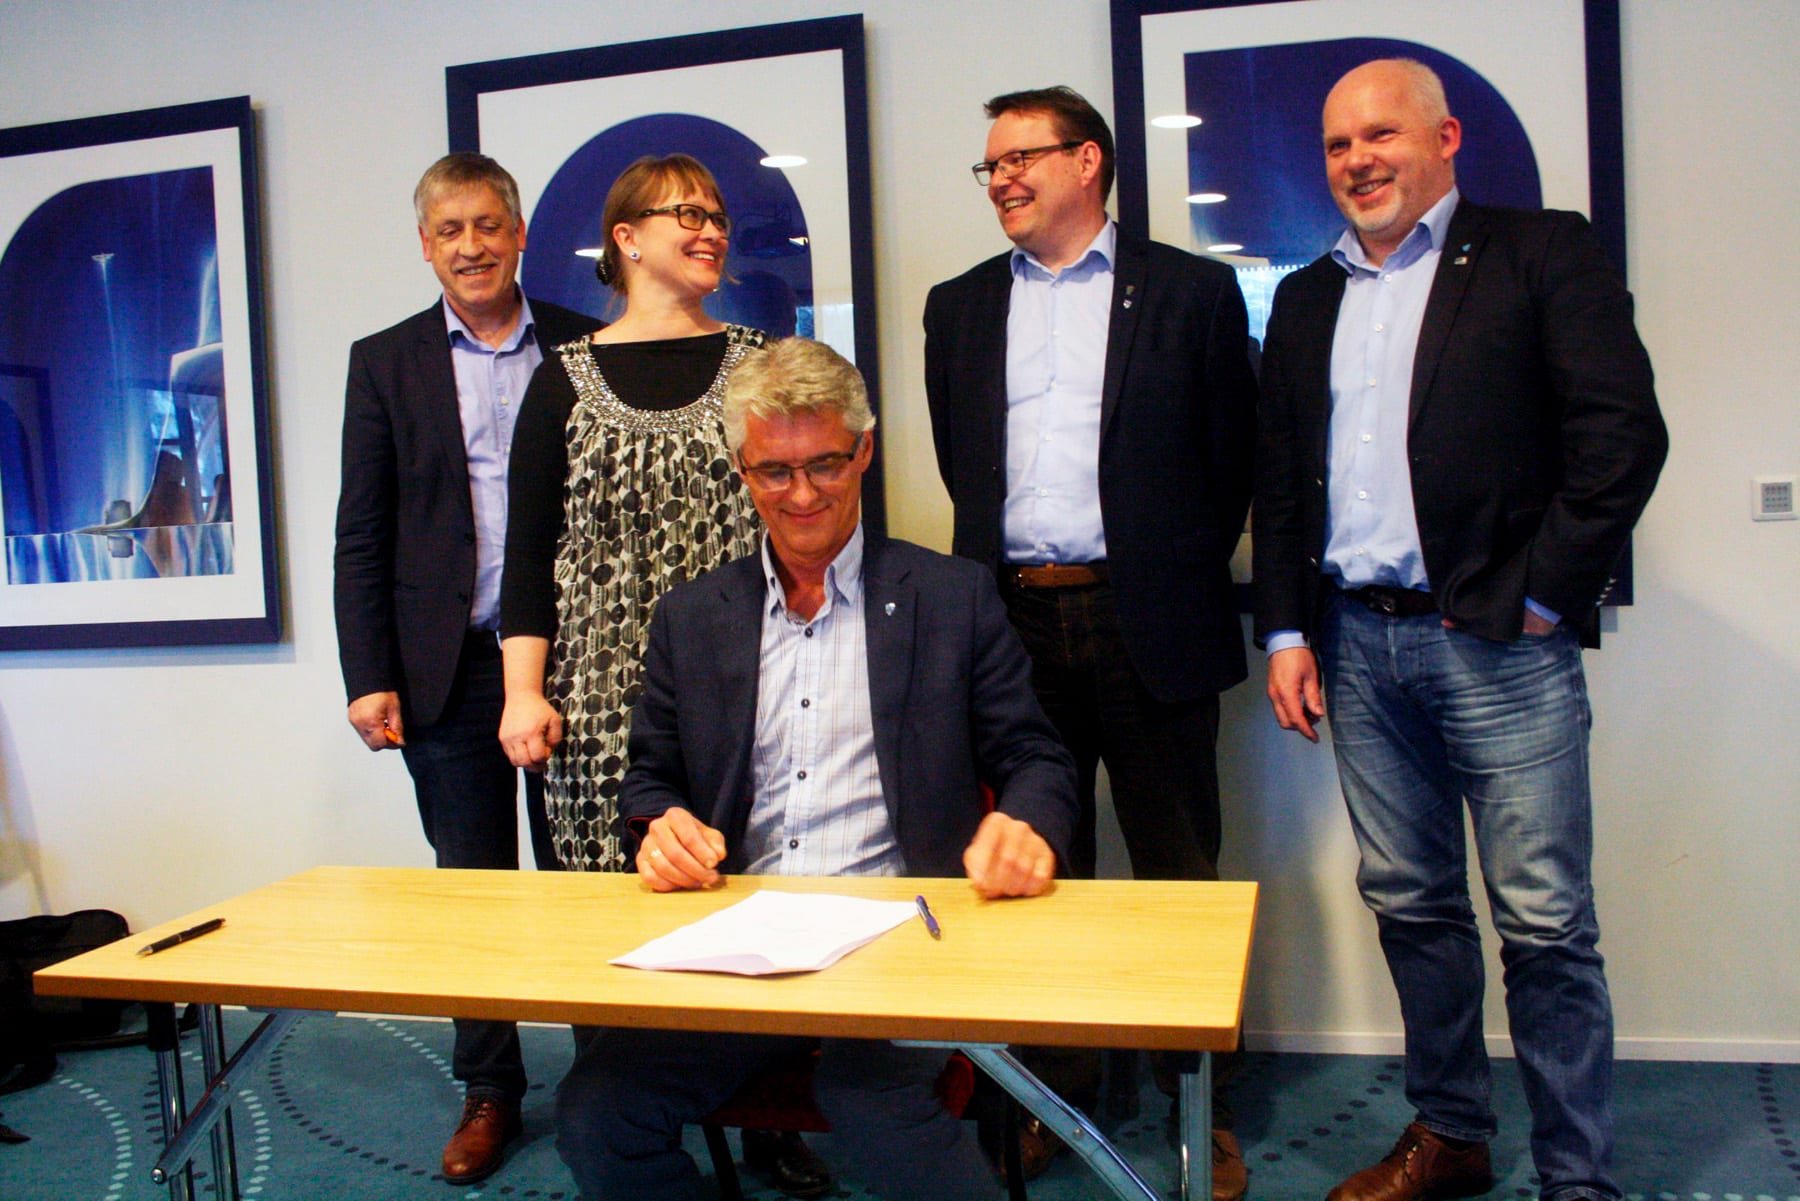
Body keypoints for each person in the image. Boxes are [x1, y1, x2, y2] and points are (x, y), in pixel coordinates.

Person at [1254, 59, 1667, 1201]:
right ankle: (1452, 1135)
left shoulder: (1542, 252)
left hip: (1500, 646)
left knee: (1544, 924)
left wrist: (1542, 596)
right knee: (1413, 904)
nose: (1358, 161)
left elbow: (1621, 436)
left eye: (1381, 135)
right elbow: (1282, 478)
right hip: (1356, 646)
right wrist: (1286, 632)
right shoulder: (1306, 297)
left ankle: (1577, 1176)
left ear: (1445, 138)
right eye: (1338, 145)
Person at [553, 337, 1079, 1201]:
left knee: (866, 1098)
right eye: (774, 471)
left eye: (825, 464)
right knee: (596, 1111)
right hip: (739, 939)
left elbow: (1036, 757)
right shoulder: (693, 617)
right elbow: (650, 780)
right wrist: (660, 827)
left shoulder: (952, 597)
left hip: (901, 935)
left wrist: (1025, 822)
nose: (801, 494)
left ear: (864, 450)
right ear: (742, 469)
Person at [922, 85, 1257, 1197]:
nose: (1002, 178)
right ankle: (1052, 1094)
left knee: (1177, 873)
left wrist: (1161, 564)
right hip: (1011, 623)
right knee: (1034, 868)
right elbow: (963, 467)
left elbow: (1232, 460)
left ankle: (1196, 1104)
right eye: (991, 165)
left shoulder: (1192, 293)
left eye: (1021, 156)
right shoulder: (959, 307)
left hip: (1149, 617)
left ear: (1089, 162)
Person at [496, 153, 828, 1198]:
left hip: (741, 686)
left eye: (717, 213)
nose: (710, 227)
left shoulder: (762, 365)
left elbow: (807, 525)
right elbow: (527, 555)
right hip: (594, 708)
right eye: (686, 211)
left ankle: (769, 1119)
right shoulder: (561, 379)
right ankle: (621, 1125)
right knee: (612, 925)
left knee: (747, 898)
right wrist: (522, 691)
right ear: (626, 239)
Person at [332, 152, 598, 1184]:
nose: (472, 246)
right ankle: (491, 1088)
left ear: (520, 233)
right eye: (450, 230)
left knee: (587, 881)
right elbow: (363, 530)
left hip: (572, 661)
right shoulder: (383, 362)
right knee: (471, 889)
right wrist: (368, 672)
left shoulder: (582, 344)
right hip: (444, 667)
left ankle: (614, 1075)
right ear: (425, 244)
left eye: (489, 225)